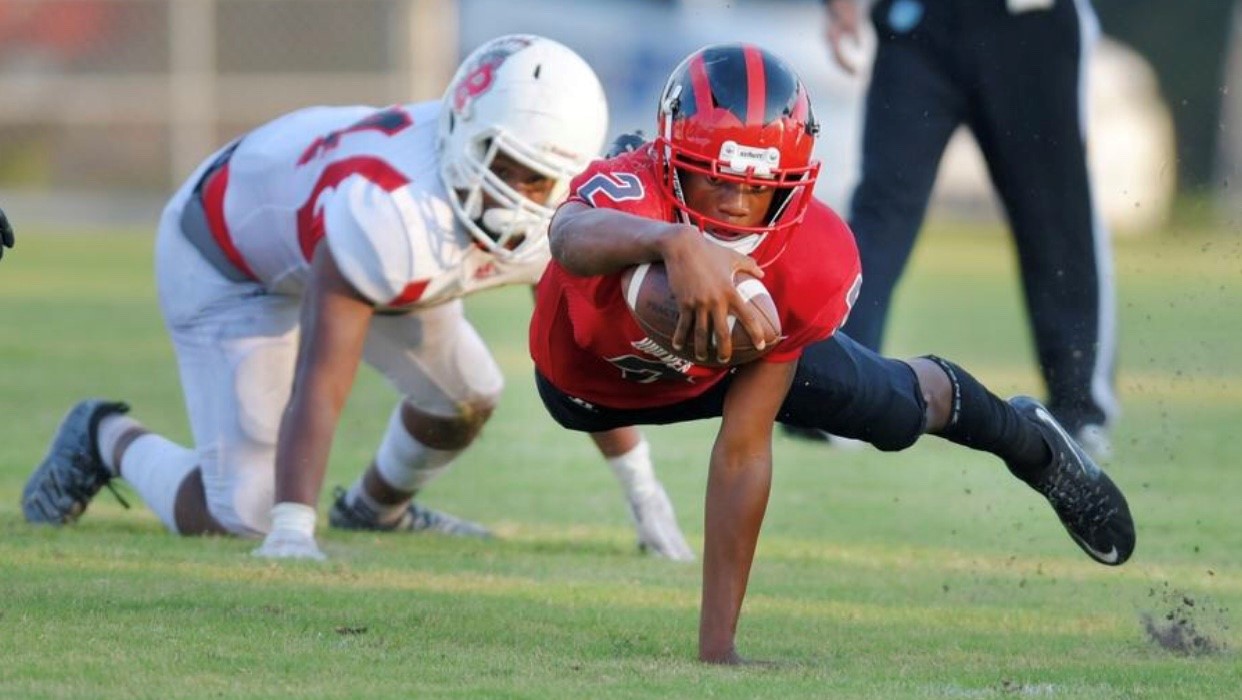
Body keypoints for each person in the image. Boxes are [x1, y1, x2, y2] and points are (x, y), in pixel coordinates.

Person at [529, 42, 1135, 664]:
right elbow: (569, 233)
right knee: (579, 398)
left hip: (732, 358)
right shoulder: (635, 188)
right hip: (585, 385)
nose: (736, 204)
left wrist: (718, 648)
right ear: (671, 158)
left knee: (901, 412)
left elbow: (742, 452)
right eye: (716, 177)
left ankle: (1030, 443)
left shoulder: (809, 257)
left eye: (760, 185)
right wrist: (671, 242)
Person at [21, 34, 693, 563]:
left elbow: (577, 354)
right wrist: (291, 527)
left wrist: (648, 501)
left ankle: (376, 510)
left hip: (339, 237)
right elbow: (321, 375)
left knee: (467, 396)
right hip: (227, 256)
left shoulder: (558, 215)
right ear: (466, 136)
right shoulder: (392, 208)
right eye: (509, 166)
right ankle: (105, 438)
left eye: (546, 178)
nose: (523, 196)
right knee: (240, 516)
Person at [817, 0, 1118, 458]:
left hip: (1026, 24)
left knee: (1054, 217)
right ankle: (839, 392)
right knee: (881, 209)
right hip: (920, 21)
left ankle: (1081, 407)